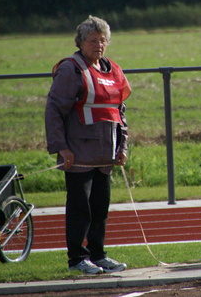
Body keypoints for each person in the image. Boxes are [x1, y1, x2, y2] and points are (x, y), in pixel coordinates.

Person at [45, 16, 132, 273]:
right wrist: (61, 147)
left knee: (100, 208)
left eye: (103, 40)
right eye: (93, 40)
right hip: (78, 154)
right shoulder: (70, 69)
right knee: (79, 208)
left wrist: (123, 146)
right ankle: (77, 259)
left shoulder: (114, 69)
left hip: (106, 154)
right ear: (81, 42)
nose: (99, 45)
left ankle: (98, 254)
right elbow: (54, 110)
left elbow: (120, 113)